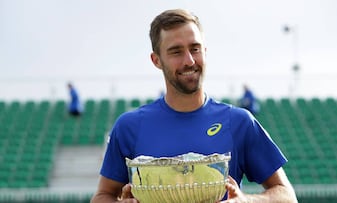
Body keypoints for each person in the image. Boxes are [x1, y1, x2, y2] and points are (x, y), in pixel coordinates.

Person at [91, 9, 297, 203]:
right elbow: (102, 196)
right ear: (156, 60)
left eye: (195, 49)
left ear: (205, 51)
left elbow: (286, 195)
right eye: (176, 52)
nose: (189, 61)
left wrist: (247, 200)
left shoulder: (238, 122)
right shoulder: (130, 127)